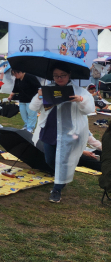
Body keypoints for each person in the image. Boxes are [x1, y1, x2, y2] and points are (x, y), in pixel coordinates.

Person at [29, 64, 94, 203]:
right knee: (50, 159)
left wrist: (80, 101)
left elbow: (89, 109)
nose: (59, 78)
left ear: (69, 74)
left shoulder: (79, 91)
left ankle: (57, 189)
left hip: (70, 132)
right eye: (56, 76)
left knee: (63, 160)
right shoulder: (48, 89)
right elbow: (33, 107)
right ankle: (63, 176)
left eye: (62, 75)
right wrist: (39, 96)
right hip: (50, 129)